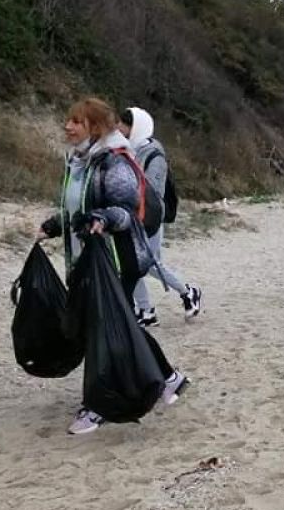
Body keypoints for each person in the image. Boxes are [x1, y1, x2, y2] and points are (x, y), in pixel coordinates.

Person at [38, 97, 189, 435]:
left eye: (76, 121)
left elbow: (125, 209)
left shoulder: (113, 161)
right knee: (115, 324)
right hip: (87, 259)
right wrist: (54, 225)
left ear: (94, 127)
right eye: (68, 119)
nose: (68, 126)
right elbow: (78, 208)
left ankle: (97, 405)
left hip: (116, 259)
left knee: (99, 331)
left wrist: (102, 218)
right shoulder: (78, 161)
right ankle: (168, 377)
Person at [117, 107, 203, 328]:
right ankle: (146, 311)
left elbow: (153, 192)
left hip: (151, 218)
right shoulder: (127, 149)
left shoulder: (155, 155)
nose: (119, 129)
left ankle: (188, 291)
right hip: (132, 216)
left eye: (124, 125)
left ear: (135, 127)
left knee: (150, 264)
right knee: (132, 264)